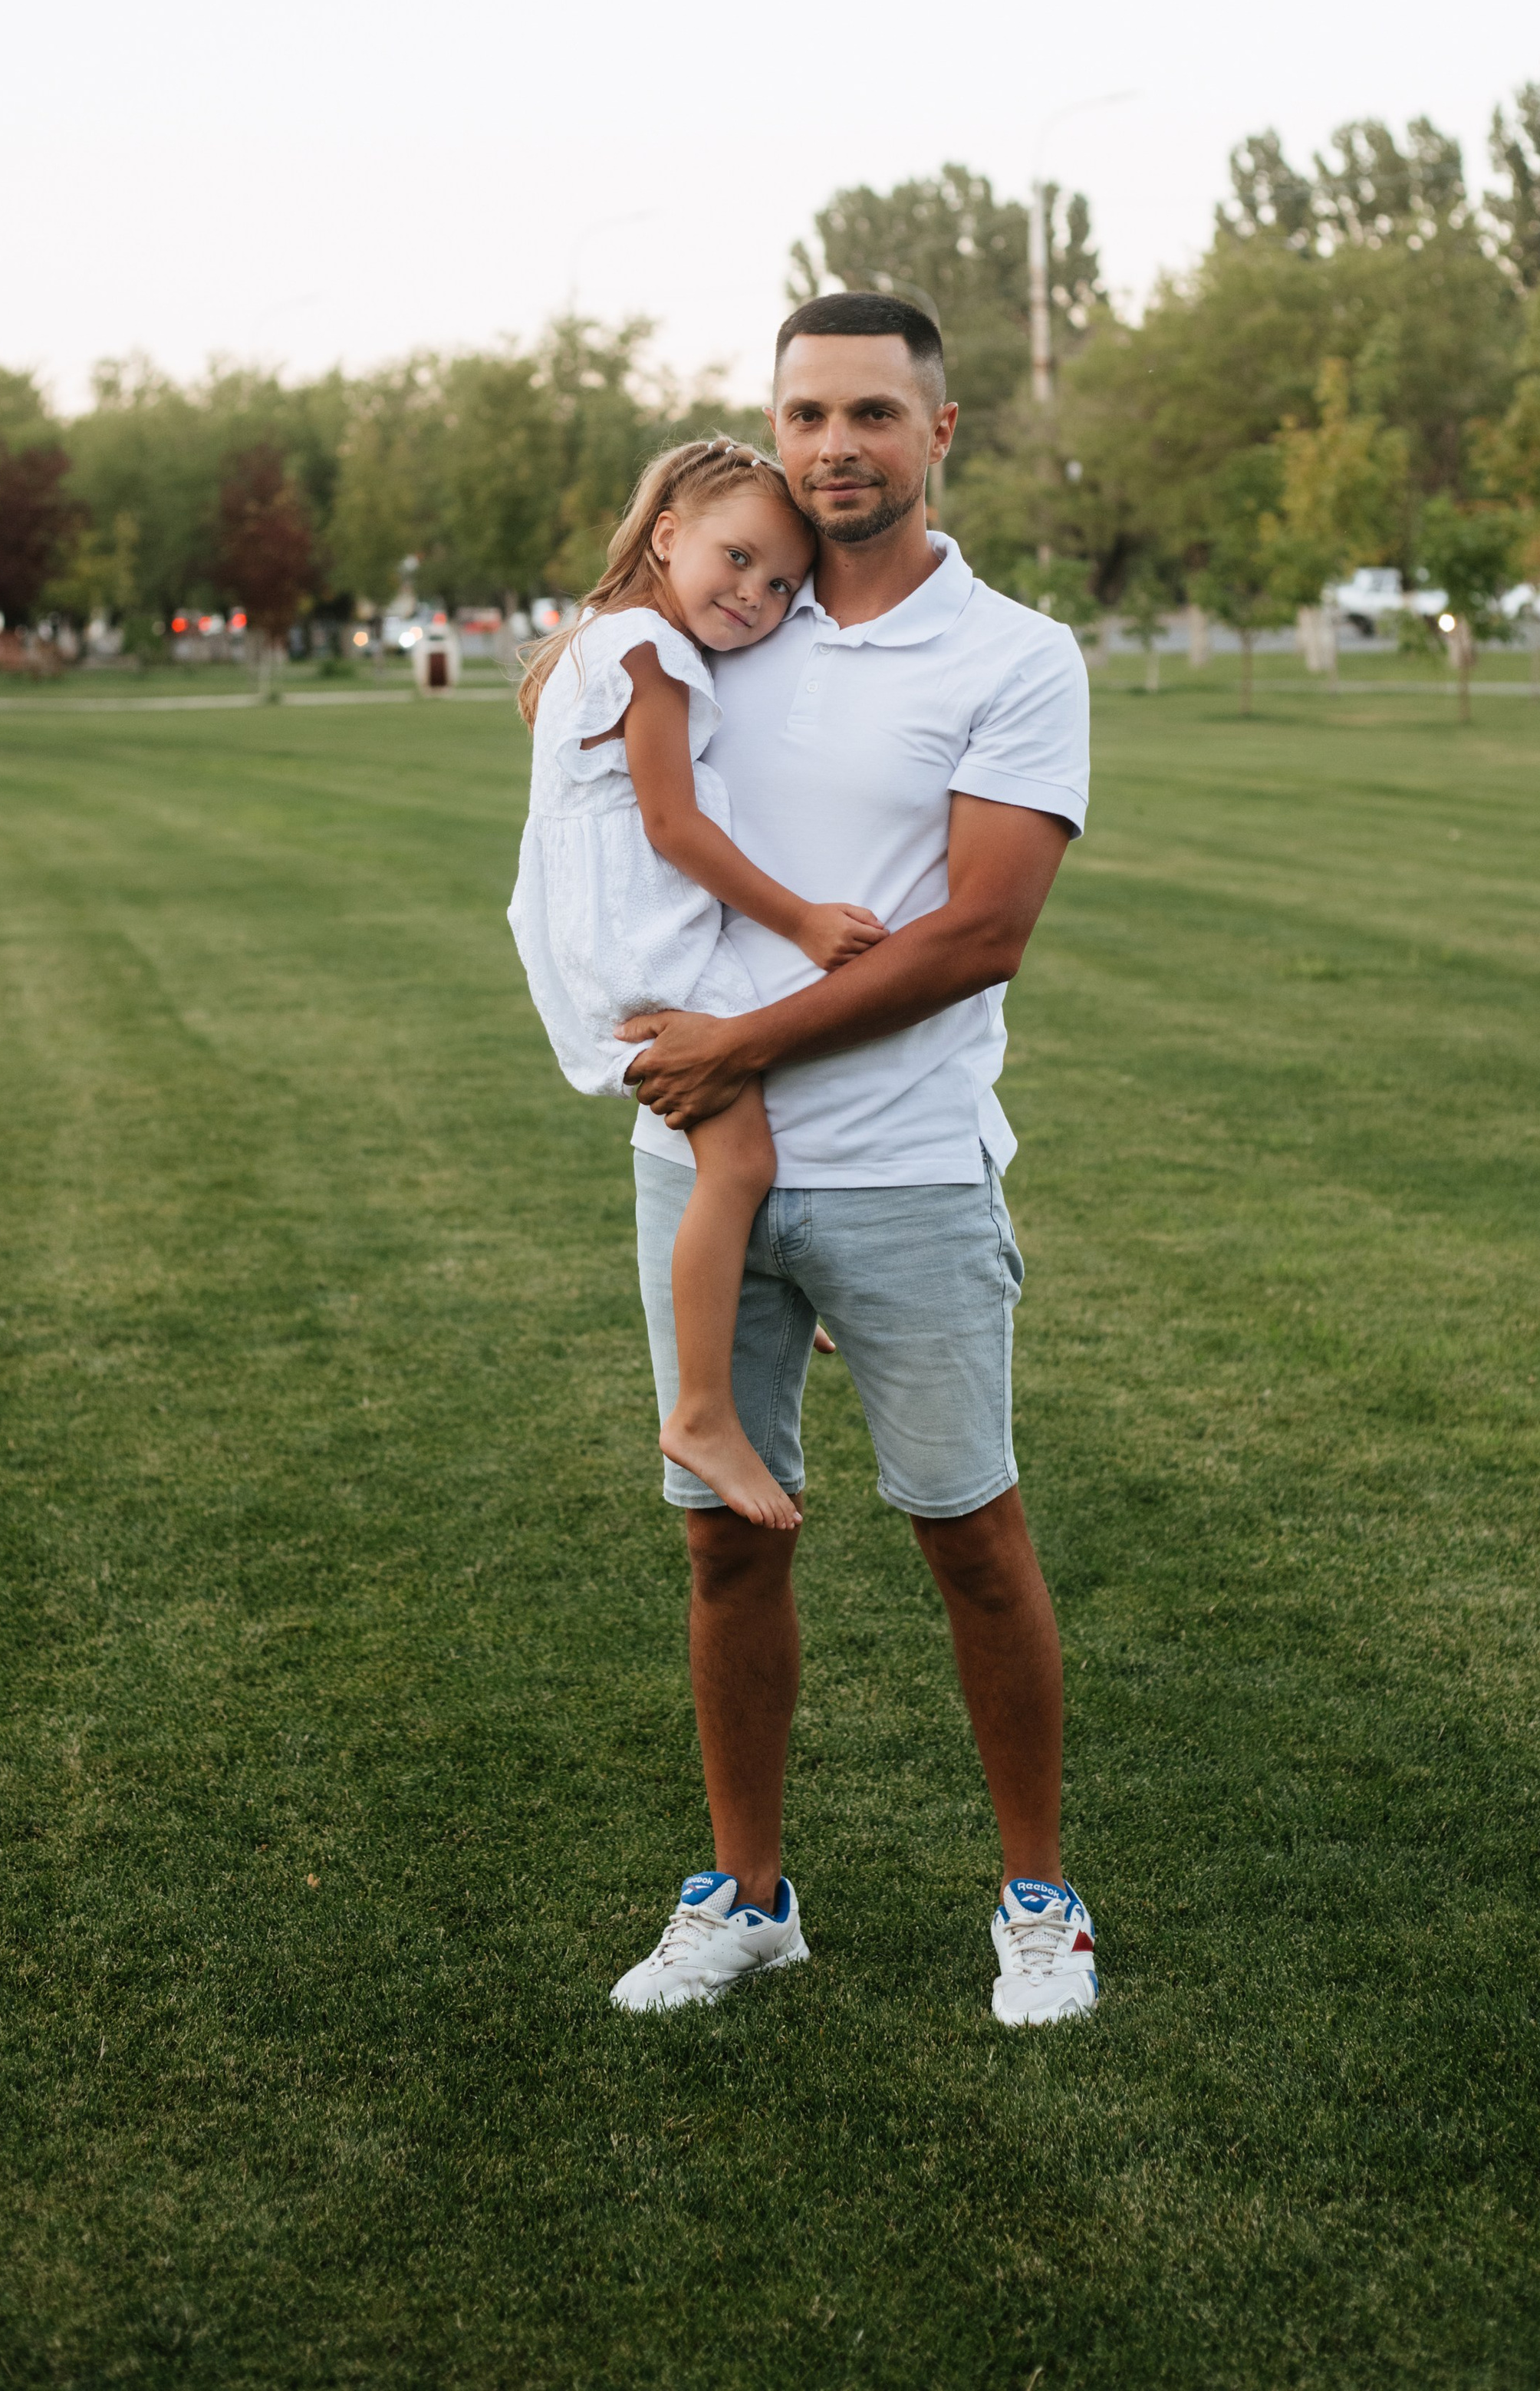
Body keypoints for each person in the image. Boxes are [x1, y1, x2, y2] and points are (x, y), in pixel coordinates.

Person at [604, 291, 1097, 2027]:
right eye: (804, 413)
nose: (834, 447)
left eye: (872, 415)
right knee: (724, 1544)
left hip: (905, 1171)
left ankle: (1036, 1902)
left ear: (937, 433)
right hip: (699, 1171)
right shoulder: (726, 619)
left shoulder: (1014, 656)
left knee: (966, 1532)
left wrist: (740, 1044)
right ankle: (745, 1899)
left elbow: (976, 936)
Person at [507, 439, 887, 1530]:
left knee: (731, 1147)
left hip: (596, 939)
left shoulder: (590, 647)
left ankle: (737, 1304)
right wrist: (802, 921)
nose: (755, 596)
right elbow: (671, 827)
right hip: (647, 945)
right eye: (736, 558)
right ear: (667, 533)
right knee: (744, 1154)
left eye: (780, 586)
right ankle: (704, 1408)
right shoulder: (650, 655)